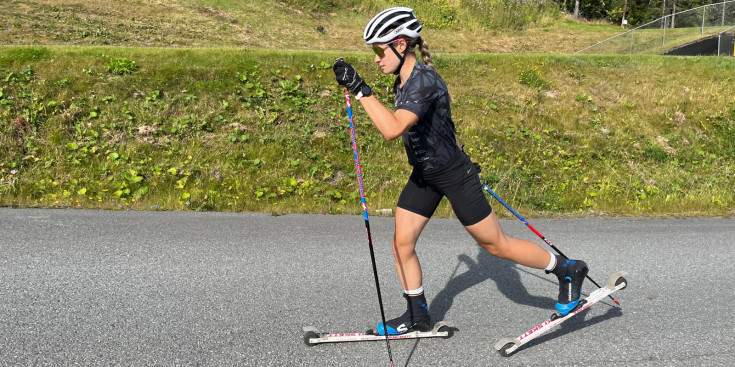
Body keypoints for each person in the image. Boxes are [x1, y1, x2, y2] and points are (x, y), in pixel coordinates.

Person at [332, 7, 589, 336]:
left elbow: (393, 129)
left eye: (378, 51)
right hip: (426, 174)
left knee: (496, 245)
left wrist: (361, 89)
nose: (377, 59)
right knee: (401, 243)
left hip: (453, 174)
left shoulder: (423, 81)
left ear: (399, 44)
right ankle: (417, 315)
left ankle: (567, 270)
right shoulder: (404, 79)